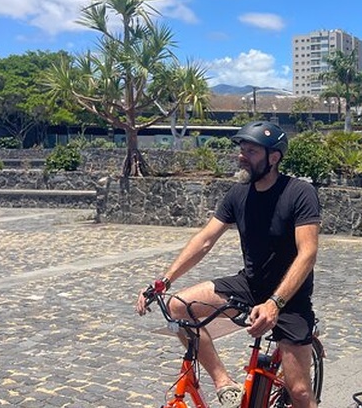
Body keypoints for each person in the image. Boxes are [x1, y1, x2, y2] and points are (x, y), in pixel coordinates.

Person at [136, 121, 321, 408]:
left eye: (251, 151)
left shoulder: (299, 193)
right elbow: (205, 239)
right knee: (178, 306)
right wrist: (164, 281)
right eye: (241, 149)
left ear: (274, 158)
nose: (241, 156)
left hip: (290, 299)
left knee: (298, 393)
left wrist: (275, 303)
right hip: (249, 285)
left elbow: (307, 253)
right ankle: (224, 382)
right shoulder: (238, 194)